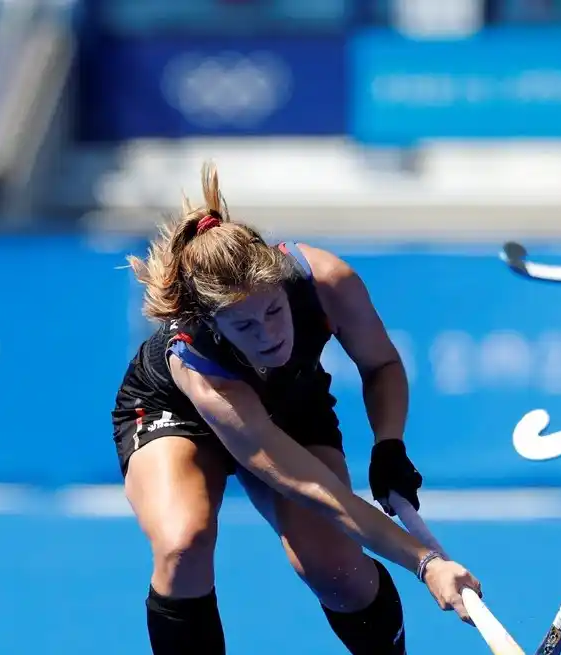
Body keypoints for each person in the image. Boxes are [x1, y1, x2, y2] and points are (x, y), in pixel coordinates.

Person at [112, 162, 481, 655]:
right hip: (176, 412)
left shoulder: (326, 280)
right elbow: (313, 487)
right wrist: (426, 562)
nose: (268, 336)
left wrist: (389, 445)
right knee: (184, 543)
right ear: (214, 324)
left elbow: (382, 363)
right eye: (244, 327)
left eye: (272, 312)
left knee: (336, 569)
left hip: (291, 401)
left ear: (281, 286)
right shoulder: (195, 362)